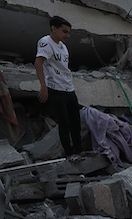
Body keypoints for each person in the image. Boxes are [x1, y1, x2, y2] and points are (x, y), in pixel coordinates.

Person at [35, 16, 84, 157]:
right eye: (64, 32)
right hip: (56, 89)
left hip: (69, 88)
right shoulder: (45, 42)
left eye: (69, 32)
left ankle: (79, 149)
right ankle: (69, 152)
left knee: (76, 121)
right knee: (64, 122)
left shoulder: (63, 46)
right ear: (53, 29)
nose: (67, 35)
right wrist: (43, 86)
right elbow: (38, 63)